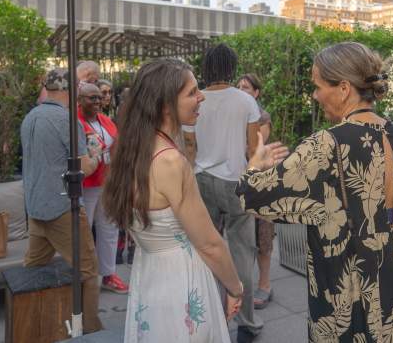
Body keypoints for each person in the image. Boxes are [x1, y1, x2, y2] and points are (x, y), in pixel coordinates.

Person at [237, 42, 393, 342]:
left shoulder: (326, 145)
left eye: (318, 86)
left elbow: (252, 197)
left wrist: (256, 165)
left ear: (344, 88)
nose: (314, 95)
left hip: (349, 297)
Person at [103, 59, 286, 342]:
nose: (201, 97)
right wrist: (235, 288)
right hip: (182, 284)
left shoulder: (133, 149)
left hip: (150, 277)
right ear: (165, 105)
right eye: (192, 92)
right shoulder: (171, 162)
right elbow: (210, 244)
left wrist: (252, 170)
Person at [183, 44, 263, 343]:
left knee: (205, 250)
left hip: (201, 180)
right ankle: (246, 323)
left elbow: (189, 147)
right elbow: (254, 150)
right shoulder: (245, 101)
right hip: (236, 182)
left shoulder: (196, 99)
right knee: (243, 253)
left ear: (207, 67)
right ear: (232, 66)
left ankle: (208, 317)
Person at [20, 68, 103, 333]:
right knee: (88, 272)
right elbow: (81, 169)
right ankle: (91, 331)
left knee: (33, 269)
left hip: (35, 208)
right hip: (63, 208)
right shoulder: (67, 121)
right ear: (71, 91)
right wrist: (96, 153)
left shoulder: (30, 117)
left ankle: (30, 325)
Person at [77, 83, 128, 294]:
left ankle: (109, 274)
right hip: (85, 186)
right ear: (79, 100)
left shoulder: (105, 120)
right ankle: (81, 277)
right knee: (83, 231)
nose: (98, 102)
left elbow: (117, 145)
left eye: (99, 98)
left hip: (106, 183)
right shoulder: (75, 124)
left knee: (109, 229)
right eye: (92, 98)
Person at [236, 73, 274, 310]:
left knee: (263, 236)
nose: (241, 91)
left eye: (247, 88)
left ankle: (265, 285)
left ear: (257, 92)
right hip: (239, 180)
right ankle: (243, 284)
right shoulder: (235, 115)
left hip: (261, 181)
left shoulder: (262, 116)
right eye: (238, 87)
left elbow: (255, 151)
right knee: (242, 237)